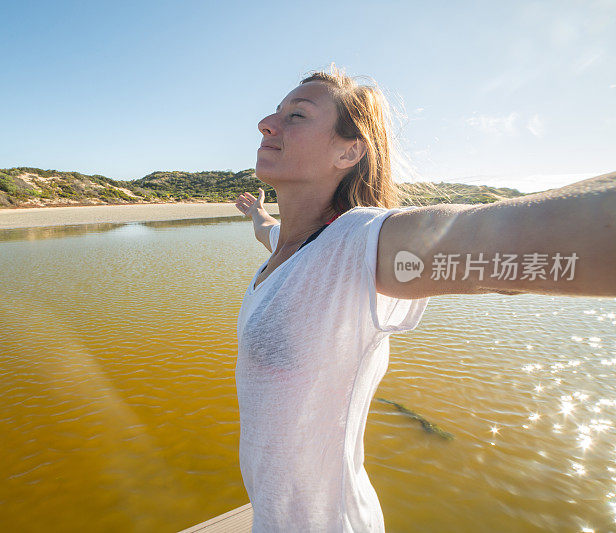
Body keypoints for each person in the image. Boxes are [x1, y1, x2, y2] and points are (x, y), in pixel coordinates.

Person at [233, 64, 615, 532]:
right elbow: (268, 233)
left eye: (296, 115)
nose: (267, 123)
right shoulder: (286, 249)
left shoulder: (356, 242)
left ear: (348, 151)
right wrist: (257, 213)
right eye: (275, 112)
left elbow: (502, 236)